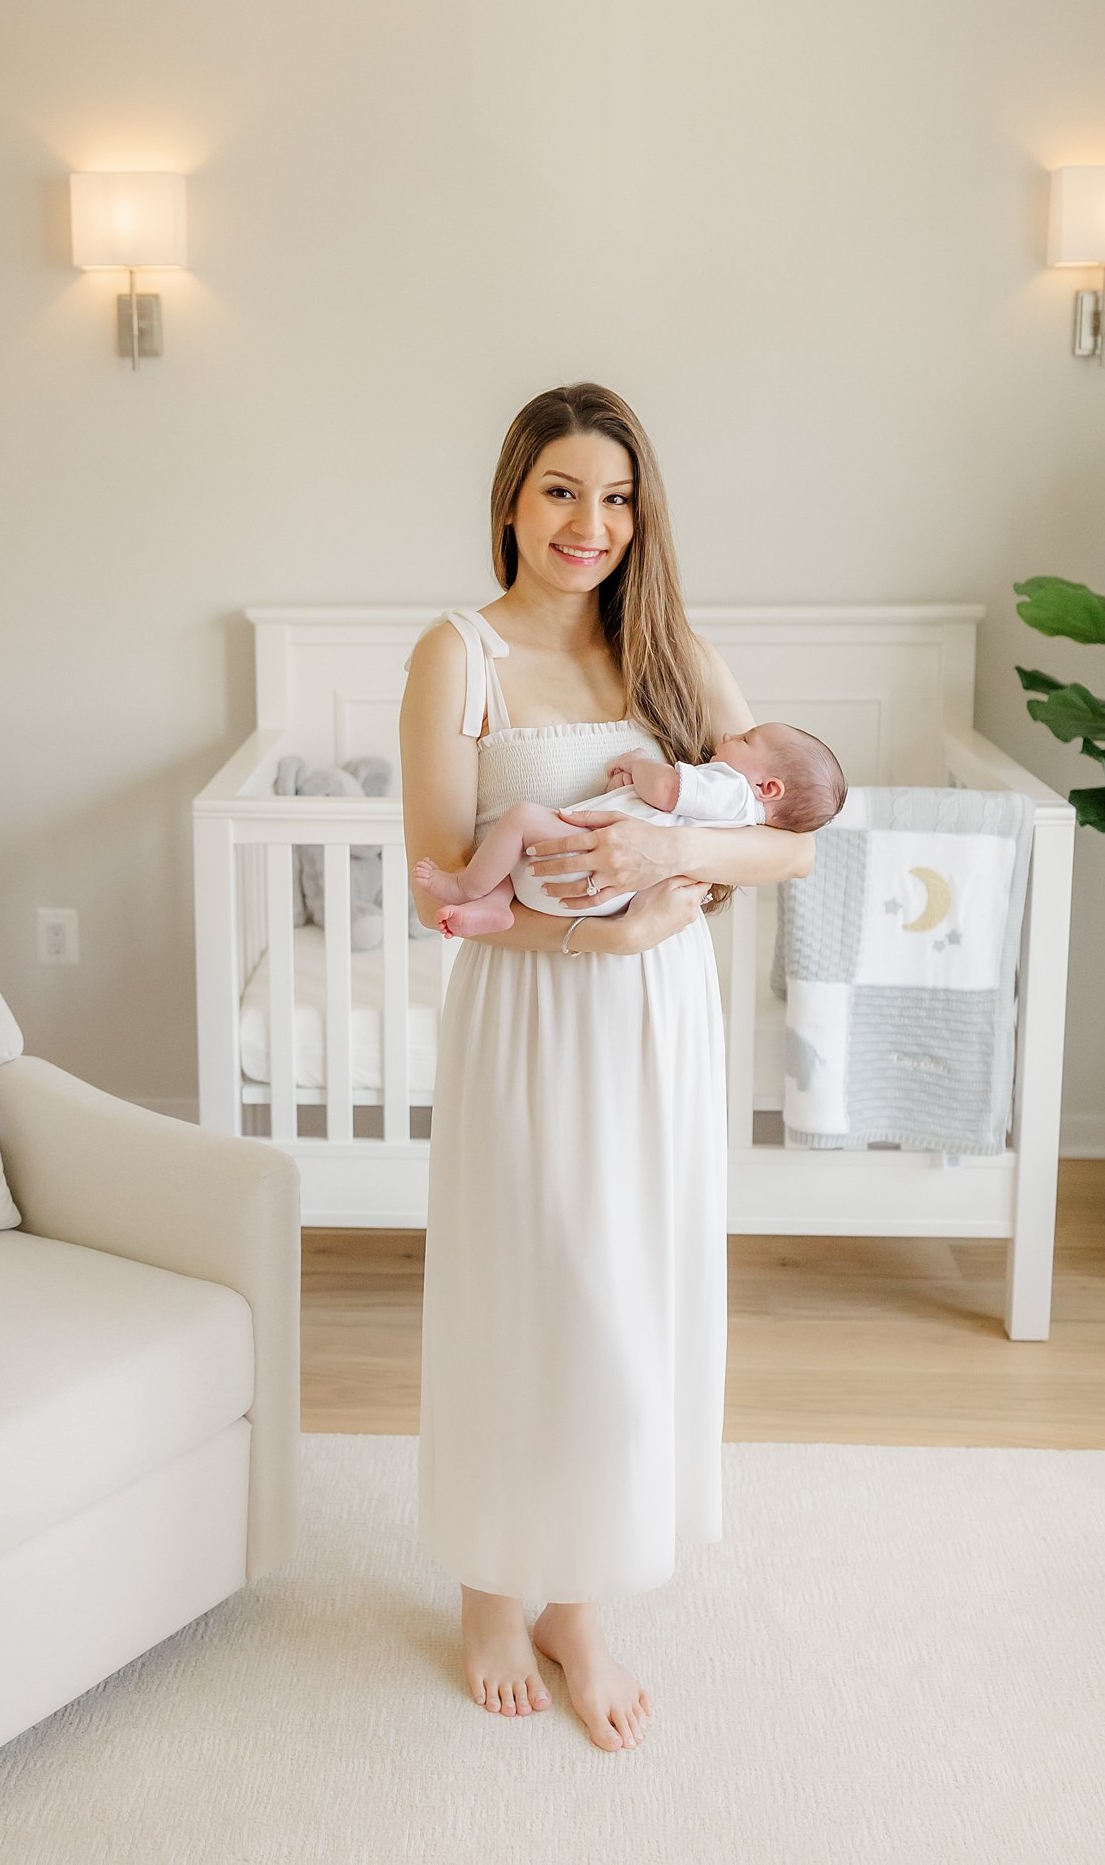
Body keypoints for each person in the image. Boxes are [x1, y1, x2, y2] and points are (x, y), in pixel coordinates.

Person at [398, 382, 816, 1753]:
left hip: (657, 1022)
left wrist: (670, 859)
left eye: (618, 496)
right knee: (523, 1290)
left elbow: (789, 840)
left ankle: (576, 1603)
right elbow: (436, 878)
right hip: (532, 1016)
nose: (593, 523)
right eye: (565, 490)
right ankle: (487, 1587)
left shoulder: (671, 650)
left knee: (627, 1305)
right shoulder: (457, 653)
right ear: (513, 496)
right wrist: (614, 927)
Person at [413, 722, 845, 938]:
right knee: (519, 851)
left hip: (580, 869)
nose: (731, 733)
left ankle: (469, 888)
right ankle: (496, 907)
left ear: (767, 787)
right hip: (606, 898)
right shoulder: (736, 814)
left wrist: (640, 763)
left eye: (747, 740)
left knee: (522, 821)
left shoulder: (732, 789)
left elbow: (667, 789)